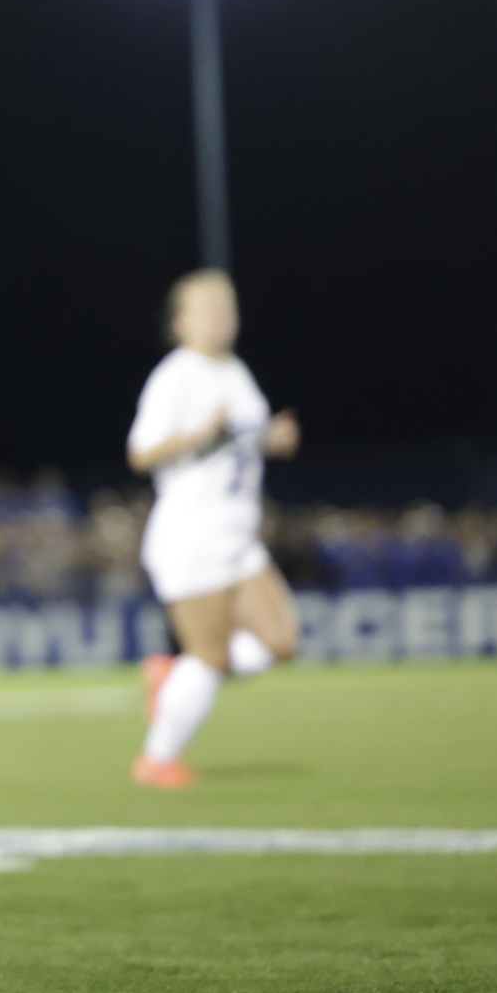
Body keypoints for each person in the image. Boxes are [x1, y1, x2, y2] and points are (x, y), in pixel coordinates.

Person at [126, 268, 301, 788]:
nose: (222, 317)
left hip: (237, 534)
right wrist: (201, 433)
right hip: (192, 534)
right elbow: (142, 453)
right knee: (211, 655)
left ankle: (175, 676)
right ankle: (157, 759)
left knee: (280, 644)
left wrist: (271, 438)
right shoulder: (175, 376)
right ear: (179, 322)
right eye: (208, 308)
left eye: (227, 307)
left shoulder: (234, 371)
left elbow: (238, 442)